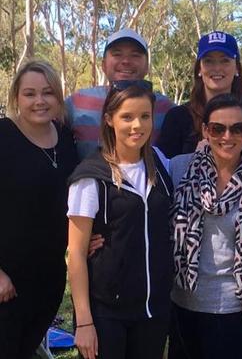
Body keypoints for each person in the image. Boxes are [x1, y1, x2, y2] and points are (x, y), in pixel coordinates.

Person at [67, 80, 173, 359]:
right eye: (127, 116)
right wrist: (84, 322)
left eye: (144, 116)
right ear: (109, 119)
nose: (137, 125)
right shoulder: (90, 177)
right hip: (107, 315)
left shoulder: (160, 165)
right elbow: (76, 253)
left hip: (152, 312)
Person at [167, 94, 242, 359]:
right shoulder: (178, 169)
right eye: (217, 128)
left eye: (237, 128)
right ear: (205, 130)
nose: (227, 136)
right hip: (181, 300)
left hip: (232, 307)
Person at [0, 60, 78, 359]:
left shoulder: (66, 139)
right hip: (7, 279)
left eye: (47, 93)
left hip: (49, 278)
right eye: (29, 94)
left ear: (58, 97)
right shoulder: (4, 134)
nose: (39, 101)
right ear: (16, 98)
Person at [156, 30, 242, 159]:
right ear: (199, 69)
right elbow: (162, 166)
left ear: (237, 68)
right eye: (208, 61)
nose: (217, 68)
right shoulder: (178, 117)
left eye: (224, 61)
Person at [66, 28, 174, 159]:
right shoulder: (77, 102)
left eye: (135, 55)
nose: (126, 61)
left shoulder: (166, 108)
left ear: (147, 67)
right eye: (117, 54)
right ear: (104, 65)